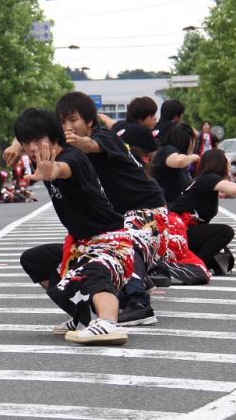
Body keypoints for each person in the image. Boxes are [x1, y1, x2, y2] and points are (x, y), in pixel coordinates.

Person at [15, 108, 134, 346]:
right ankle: (81, 316)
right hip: (81, 244)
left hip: (111, 242)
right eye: (26, 143)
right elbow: (30, 140)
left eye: (38, 141)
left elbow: (64, 170)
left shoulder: (72, 159)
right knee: (34, 260)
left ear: (54, 137)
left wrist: (53, 171)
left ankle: (108, 322)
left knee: (92, 270)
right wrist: (15, 146)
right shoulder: (44, 160)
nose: (32, 148)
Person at [55, 92, 168, 327]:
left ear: (89, 120)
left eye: (74, 120)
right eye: (63, 122)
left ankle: (139, 304)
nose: (68, 128)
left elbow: (93, 145)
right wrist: (18, 141)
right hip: (123, 214)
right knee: (97, 245)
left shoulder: (106, 137)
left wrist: (80, 142)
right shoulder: (72, 149)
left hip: (148, 209)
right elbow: (39, 129)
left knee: (126, 240)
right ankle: (118, 293)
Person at [170, 149, 236, 274]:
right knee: (225, 232)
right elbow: (234, 190)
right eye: (227, 161)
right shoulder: (209, 178)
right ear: (220, 163)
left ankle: (196, 263)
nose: (229, 164)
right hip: (180, 231)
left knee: (225, 261)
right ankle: (195, 266)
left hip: (184, 230)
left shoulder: (204, 179)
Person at [151, 123, 198, 206]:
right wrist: (194, 157)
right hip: (166, 206)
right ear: (188, 140)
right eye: (194, 141)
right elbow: (179, 161)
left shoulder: (176, 153)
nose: (194, 145)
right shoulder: (167, 150)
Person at [108, 97, 160, 165]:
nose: (155, 118)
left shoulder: (118, 125)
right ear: (141, 118)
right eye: (152, 115)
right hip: (131, 170)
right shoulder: (143, 130)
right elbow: (156, 158)